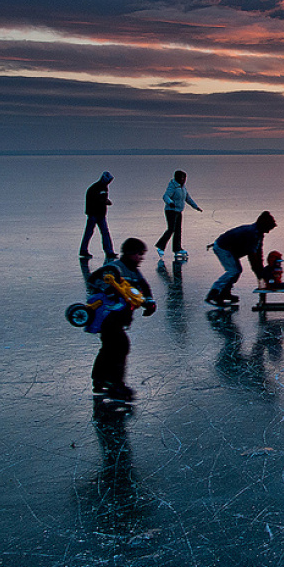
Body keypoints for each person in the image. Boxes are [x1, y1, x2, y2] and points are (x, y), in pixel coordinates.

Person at [88, 238, 156, 401]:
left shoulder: (134, 271)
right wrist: (110, 291)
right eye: (139, 254)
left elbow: (144, 287)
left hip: (120, 319)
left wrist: (150, 303)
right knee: (119, 346)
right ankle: (115, 383)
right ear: (130, 253)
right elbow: (94, 279)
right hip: (108, 317)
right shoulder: (116, 268)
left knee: (109, 348)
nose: (141, 258)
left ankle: (100, 379)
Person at [206, 211, 277, 306]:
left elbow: (258, 255)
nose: (269, 231)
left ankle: (225, 293)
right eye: (268, 228)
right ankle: (214, 293)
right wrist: (260, 275)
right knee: (233, 271)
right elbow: (252, 258)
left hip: (230, 249)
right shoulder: (252, 234)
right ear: (263, 225)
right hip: (223, 248)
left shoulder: (259, 234)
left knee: (237, 270)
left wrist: (261, 272)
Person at [155, 170, 202, 261]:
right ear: (177, 178)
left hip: (179, 211)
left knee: (178, 230)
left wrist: (196, 207)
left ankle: (177, 249)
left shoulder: (183, 187)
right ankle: (161, 246)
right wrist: (170, 202)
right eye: (182, 178)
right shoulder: (173, 186)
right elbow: (165, 196)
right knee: (171, 228)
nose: (184, 180)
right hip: (171, 210)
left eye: (185, 178)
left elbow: (188, 198)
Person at [80, 171, 115, 261]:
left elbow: (101, 199)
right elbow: (100, 200)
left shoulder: (101, 187)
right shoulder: (98, 188)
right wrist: (106, 201)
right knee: (97, 233)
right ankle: (108, 251)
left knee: (102, 233)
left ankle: (109, 251)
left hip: (98, 214)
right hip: (95, 214)